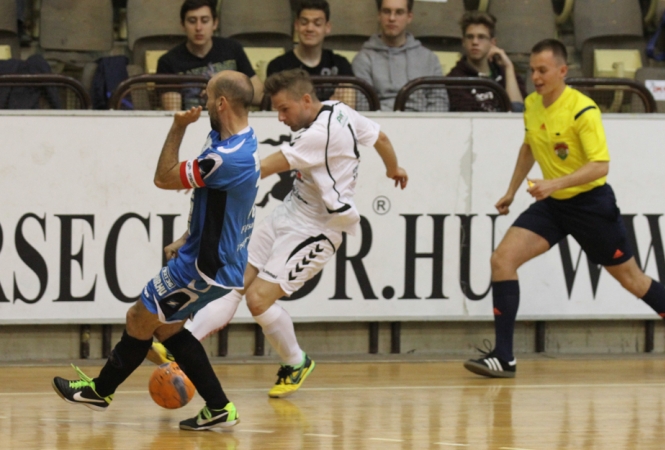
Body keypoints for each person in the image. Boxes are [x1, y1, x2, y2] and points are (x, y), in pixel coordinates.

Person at [464, 39, 665, 379]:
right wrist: (510, 190)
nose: (535, 77)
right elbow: (529, 147)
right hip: (553, 206)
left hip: (591, 207)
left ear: (562, 71)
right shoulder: (533, 105)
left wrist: (554, 183)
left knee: (633, 280)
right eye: (532, 70)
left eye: (542, 70)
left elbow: (600, 166)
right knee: (502, 260)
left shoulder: (583, 110)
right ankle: (504, 357)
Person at [162, 68, 408, 398]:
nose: (280, 118)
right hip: (290, 212)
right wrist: (394, 167)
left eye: (283, 110)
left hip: (319, 229)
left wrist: (208, 178)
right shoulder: (340, 109)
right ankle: (182, 342)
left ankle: (296, 361)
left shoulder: (317, 135)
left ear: (306, 100)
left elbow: (258, 169)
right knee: (233, 281)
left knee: (258, 299)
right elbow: (381, 138)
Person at [52, 70, 260, 431]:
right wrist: (186, 235)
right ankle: (219, 407)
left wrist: (178, 126)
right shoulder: (233, 139)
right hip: (209, 256)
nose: (204, 101)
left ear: (222, 103)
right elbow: (218, 203)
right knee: (167, 329)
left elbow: (163, 177)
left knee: (139, 319)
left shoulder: (229, 157)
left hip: (204, 266)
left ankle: (100, 391)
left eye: (208, 96)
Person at [156, 0, 264, 109]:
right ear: (183, 25)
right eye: (192, 21)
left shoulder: (232, 49)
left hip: (232, 121)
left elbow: (259, 95)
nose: (198, 28)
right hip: (192, 122)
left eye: (205, 21)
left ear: (215, 23)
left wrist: (226, 91)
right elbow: (173, 112)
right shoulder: (168, 62)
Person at [352, 0, 448, 112]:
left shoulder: (429, 59)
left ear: (409, 17)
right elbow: (363, 106)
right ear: (379, 15)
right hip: (381, 126)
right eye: (387, 11)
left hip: (423, 125)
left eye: (399, 12)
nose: (392, 18)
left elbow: (440, 103)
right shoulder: (363, 59)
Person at [447, 11, 525, 112]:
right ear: (463, 42)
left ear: (492, 43)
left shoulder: (506, 74)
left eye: (481, 37)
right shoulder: (455, 79)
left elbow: (517, 112)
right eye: (470, 37)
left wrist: (509, 68)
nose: (475, 42)